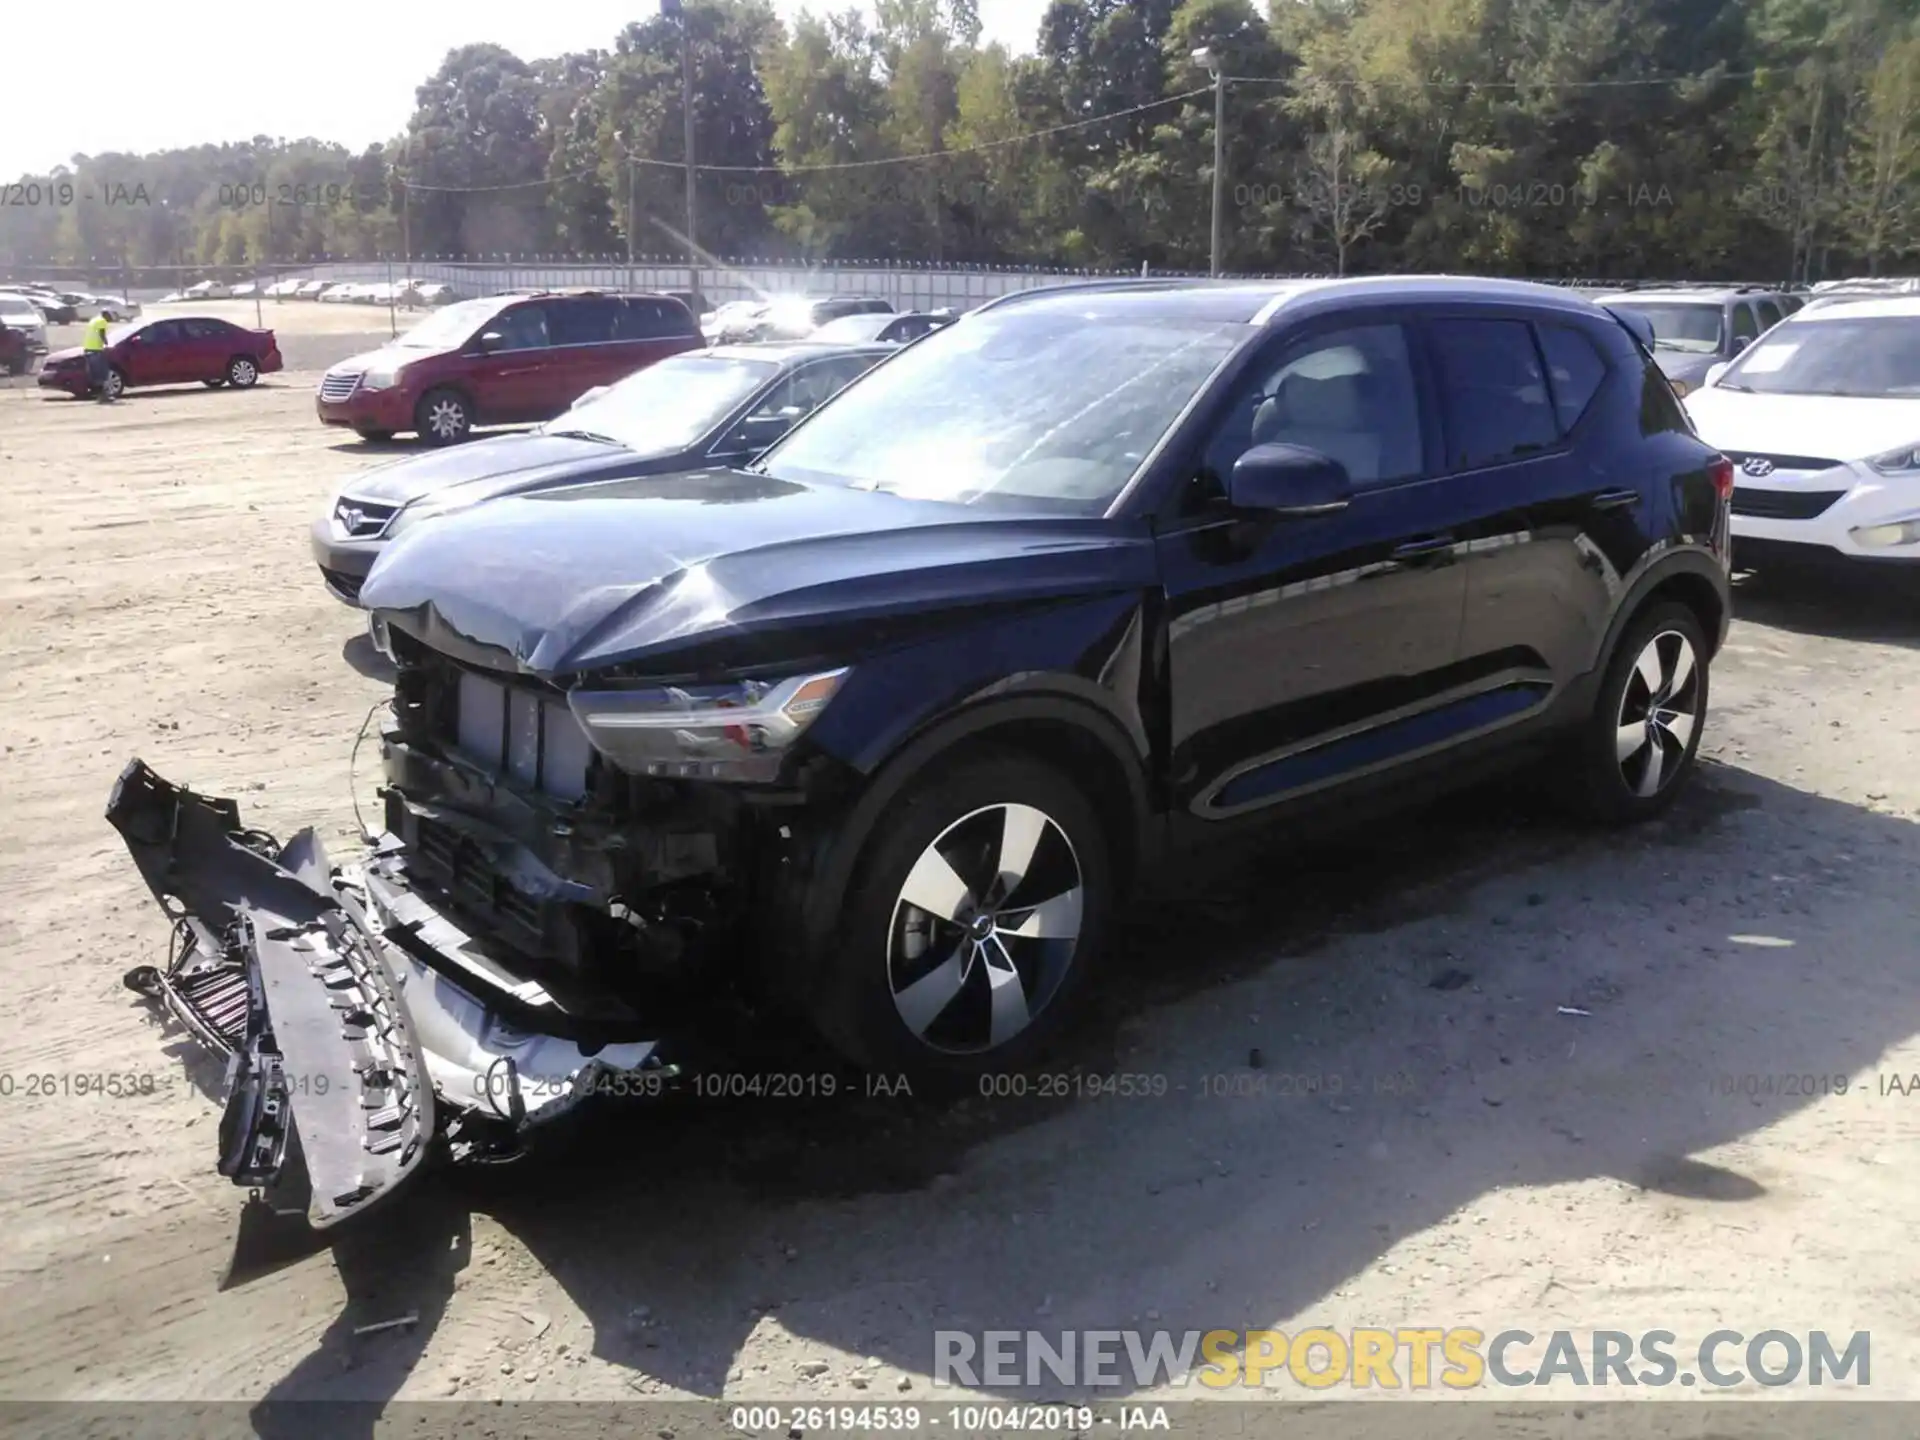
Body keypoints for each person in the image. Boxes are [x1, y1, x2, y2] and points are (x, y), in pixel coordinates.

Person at [82, 311, 114, 402]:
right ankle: (103, 397)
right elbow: (101, 334)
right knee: (102, 374)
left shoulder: (93, 320)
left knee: (94, 375)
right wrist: (107, 344)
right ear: (106, 315)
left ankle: (99, 396)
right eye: (110, 317)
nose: (110, 320)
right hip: (96, 350)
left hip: (88, 349)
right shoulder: (102, 321)